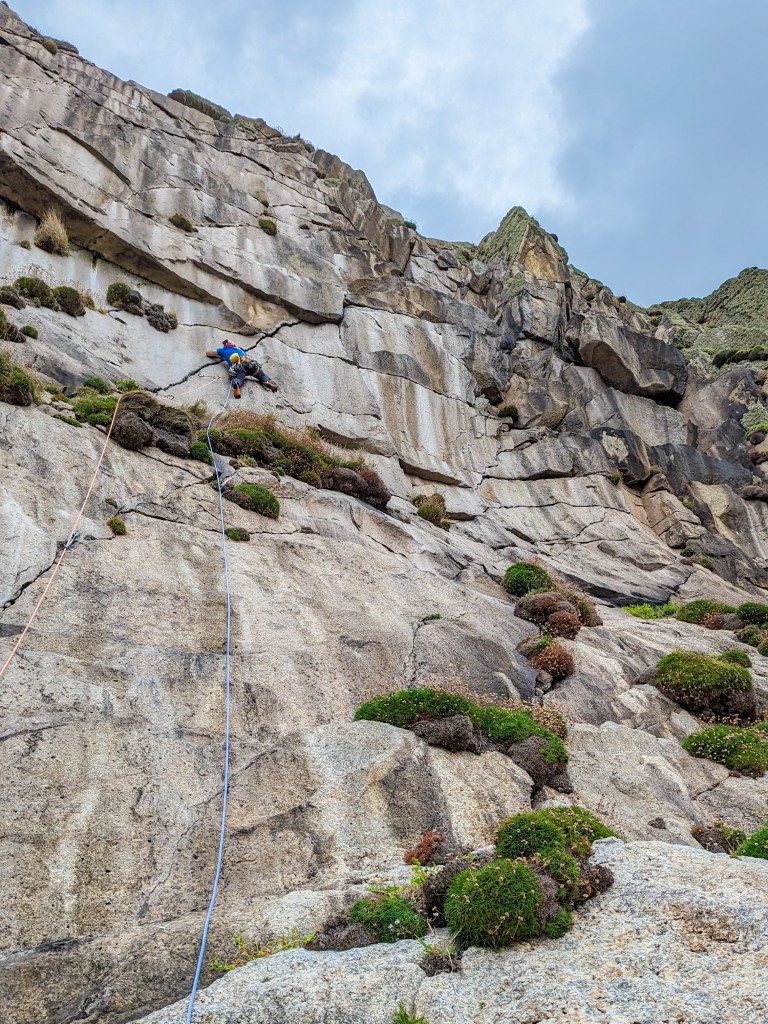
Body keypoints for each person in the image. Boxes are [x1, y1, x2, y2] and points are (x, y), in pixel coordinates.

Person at [205, 340, 279, 399]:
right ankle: (266, 382)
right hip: (251, 364)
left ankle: (237, 384)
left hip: (239, 367)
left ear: (226, 345)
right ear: (233, 344)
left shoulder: (223, 350)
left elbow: (208, 353)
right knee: (261, 375)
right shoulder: (239, 349)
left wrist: (222, 356)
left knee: (239, 378)